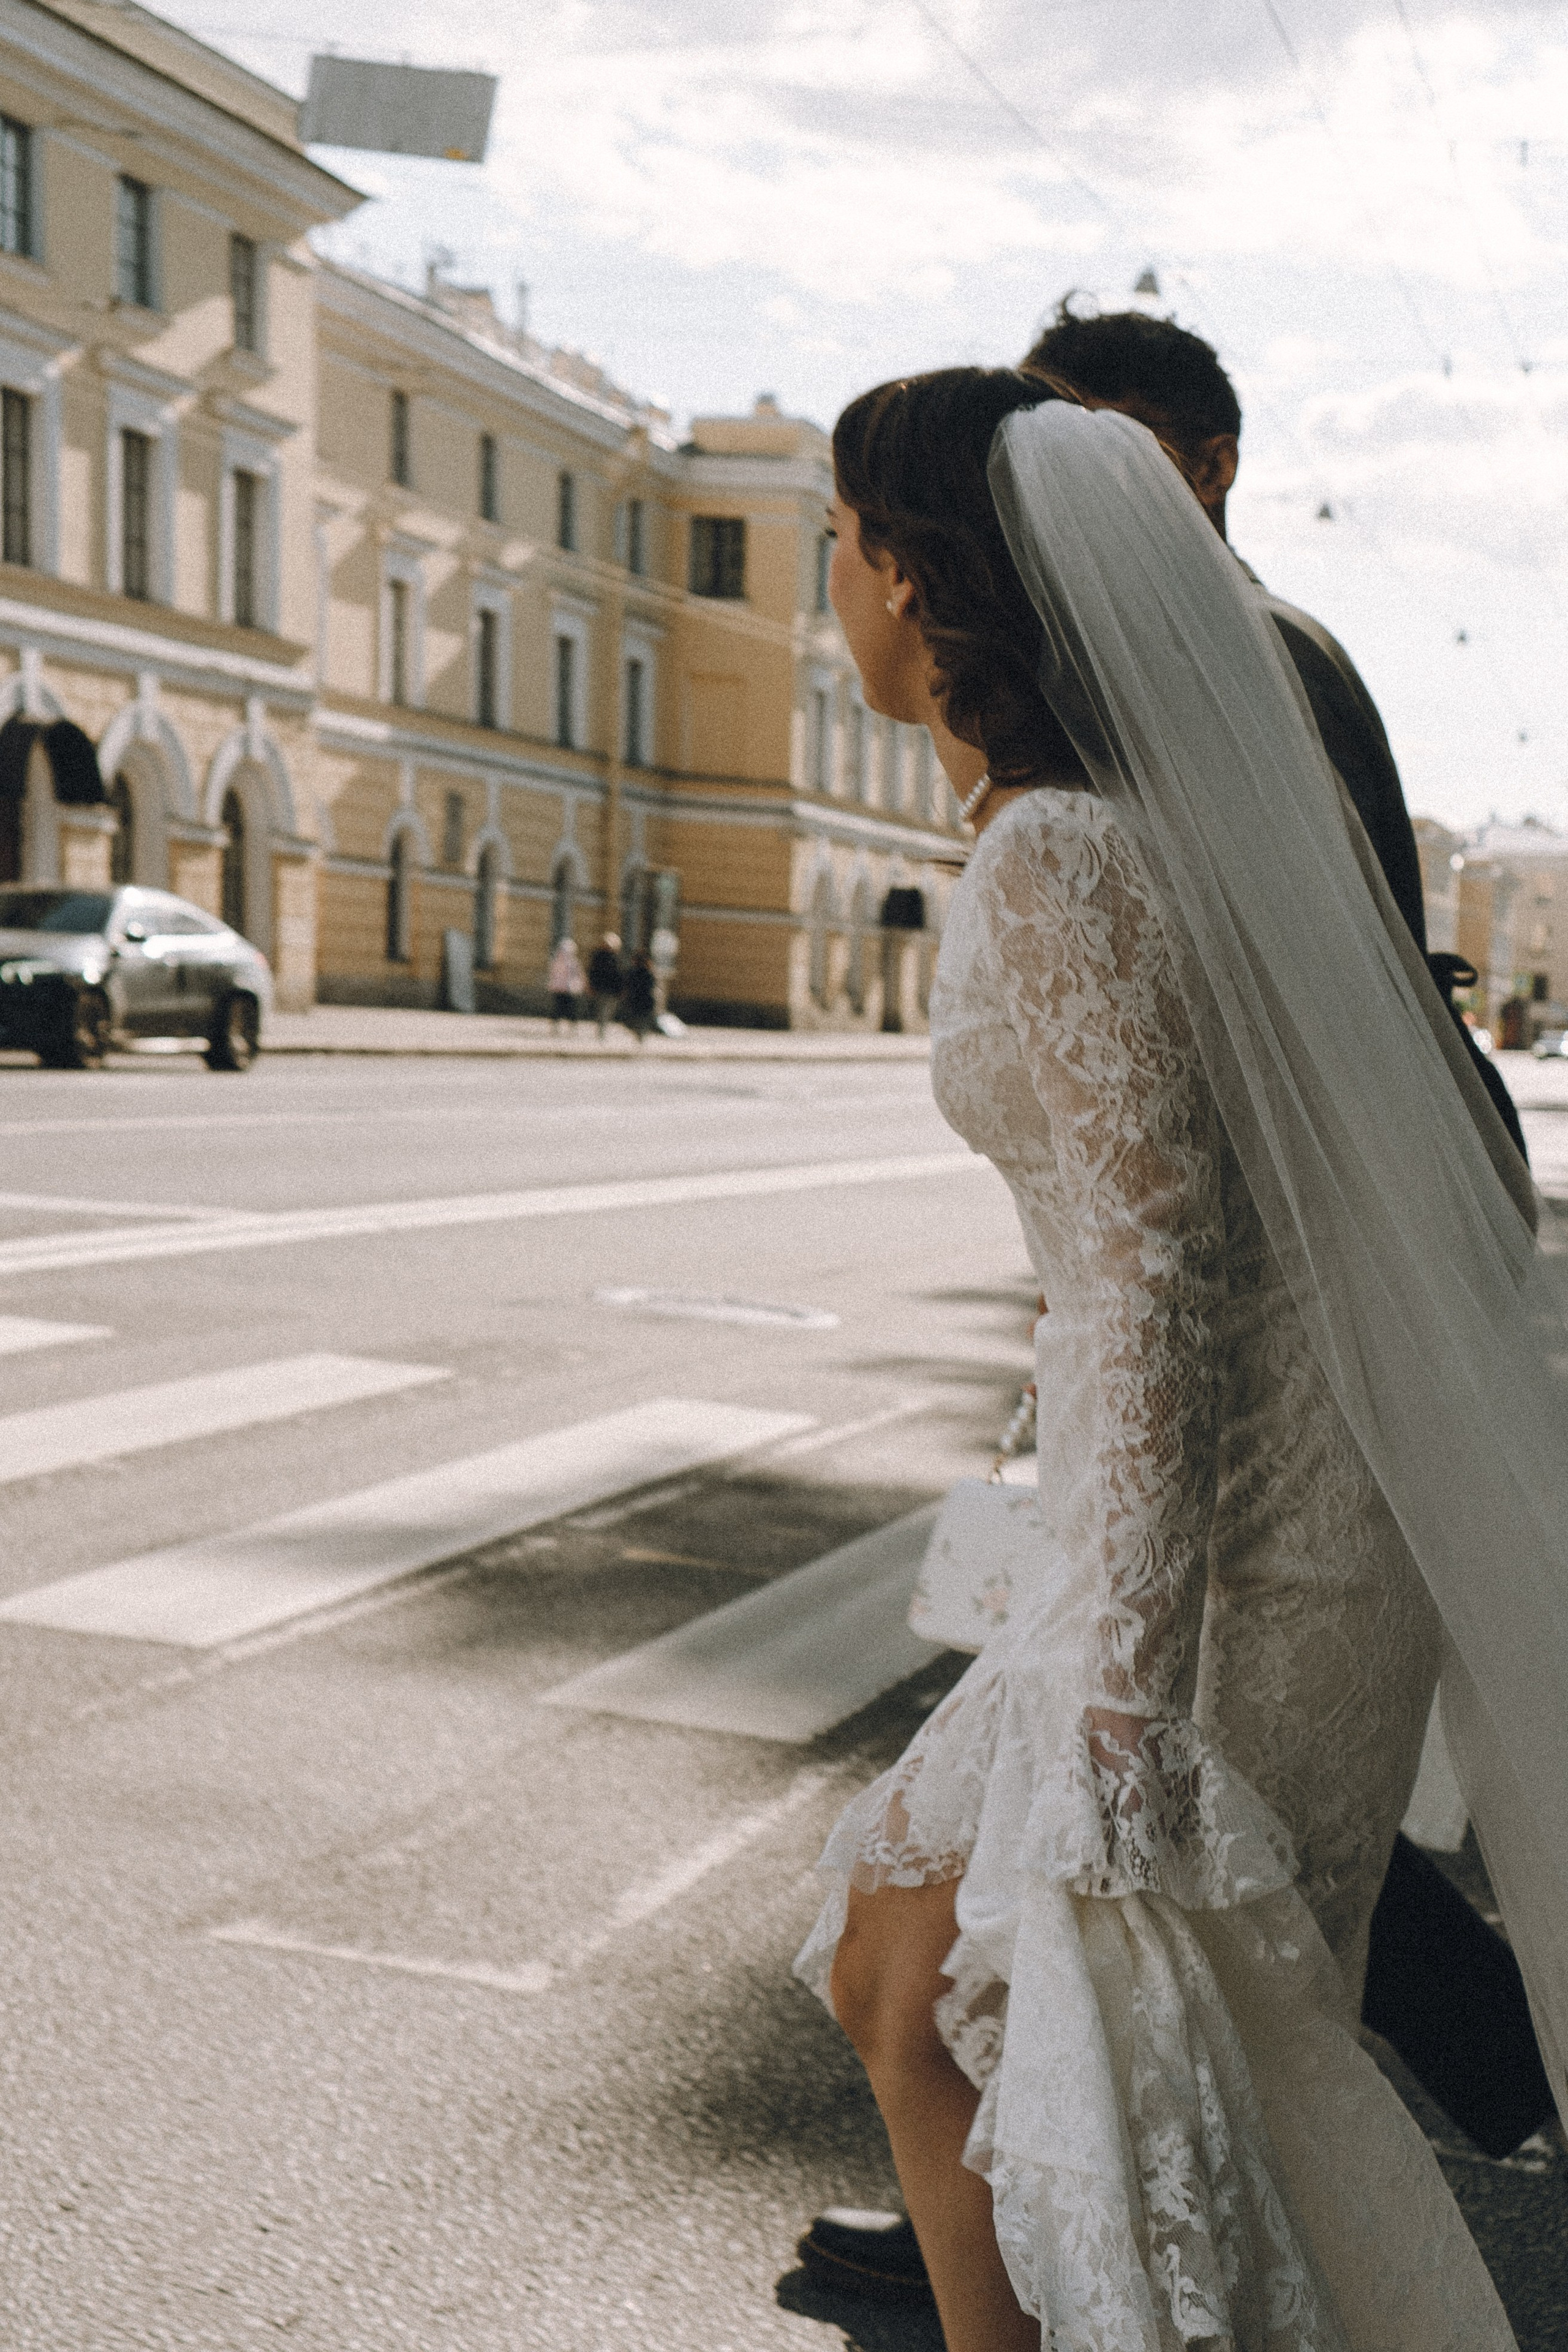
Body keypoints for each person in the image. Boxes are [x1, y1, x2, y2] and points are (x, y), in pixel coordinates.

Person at [792, 366, 1567, 2350]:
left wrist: (1123, 1702)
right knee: (908, 1982)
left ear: (915, 576)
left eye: (838, 541)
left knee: (1161, 2089)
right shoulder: (1109, 834)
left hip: (1247, 1553)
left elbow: (1158, 1274)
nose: (829, 582)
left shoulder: (1059, 852)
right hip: (1209, 1514)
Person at [587, 932, 622, 1039]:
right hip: (601, 988)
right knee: (602, 1009)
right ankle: (601, 1031)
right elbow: (592, 972)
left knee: (608, 1010)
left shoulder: (616, 958)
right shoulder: (598, 956)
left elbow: (619, 974)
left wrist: (620, 989)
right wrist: (591, 986)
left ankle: (603, 1029)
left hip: (612, 989)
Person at [547, 934, 585, 1031]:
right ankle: (556, 1024)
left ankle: (572, 1025)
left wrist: (580, 983)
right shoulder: (558, 962)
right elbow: (554, 975)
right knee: (559, 1007)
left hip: (569, 988)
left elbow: (578, 974)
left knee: (571, 1007)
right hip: (560, 988)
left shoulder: (573, 962)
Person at [619, 948, 657, 1044]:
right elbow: (652, 986)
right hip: (645, 999)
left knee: (636, 1018)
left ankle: (640, 1034)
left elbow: (628, 986)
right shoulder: (648, 973)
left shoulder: (633, 972)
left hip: (635, 999)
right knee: (643, 1018)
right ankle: (641, 1034)